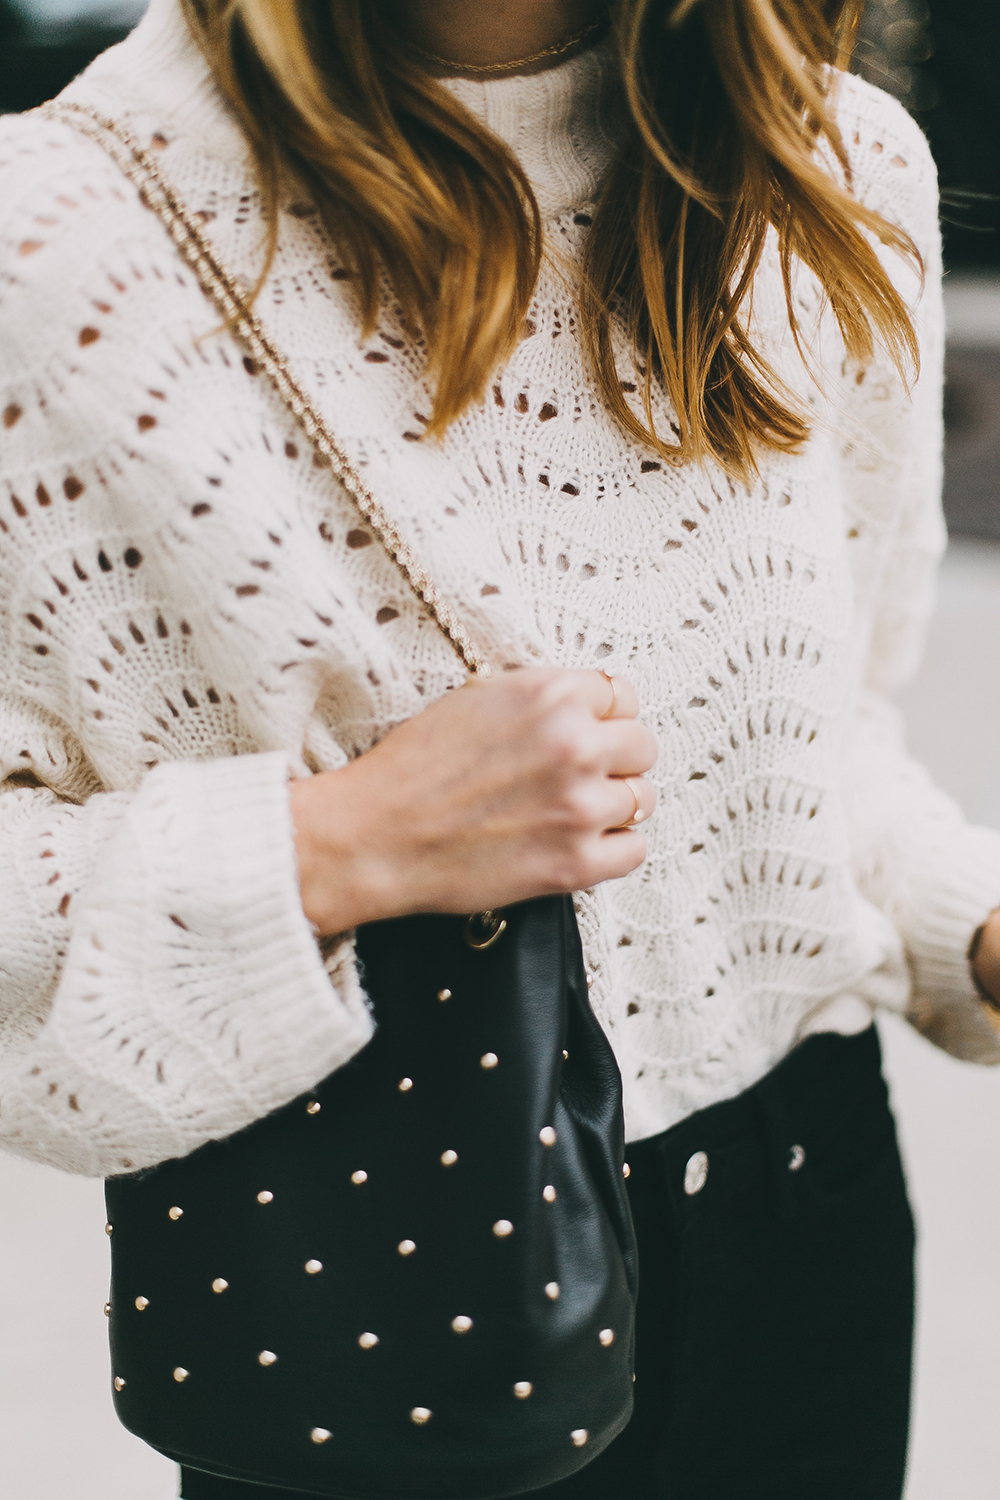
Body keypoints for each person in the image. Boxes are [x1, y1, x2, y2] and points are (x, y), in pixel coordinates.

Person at [1, 0, 999, 1496]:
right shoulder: (64, 239)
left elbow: (818, 742)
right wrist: (337, 845)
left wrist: (970, 925)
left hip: (807, 1222)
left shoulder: (834, 170)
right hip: (386, 1270)